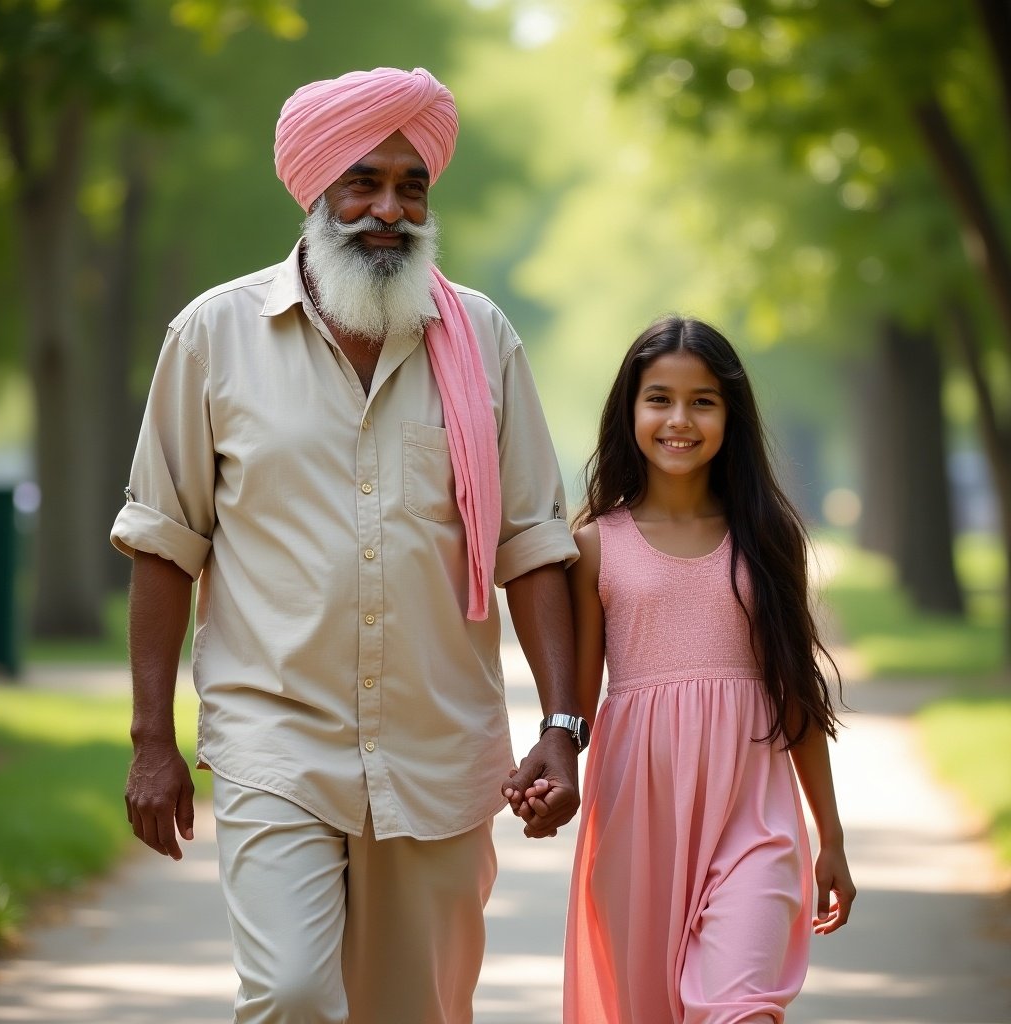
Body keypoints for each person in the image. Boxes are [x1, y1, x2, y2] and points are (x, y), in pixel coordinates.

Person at [111, 66, 587, 1024]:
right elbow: (167, 546)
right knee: (290, 993)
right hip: (275, 736)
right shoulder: (215, 335)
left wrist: (561, 728)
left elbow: (532, 544)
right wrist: (152, 740)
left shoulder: (483, 338)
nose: (389, 209)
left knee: (416, 1011)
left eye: (412, 186)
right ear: (317, 189)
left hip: (439, 748)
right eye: (363, 182)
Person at [550, 315, 856, 1023]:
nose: (679, 419)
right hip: (639, 820)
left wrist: (831, 835)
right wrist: (550, 762)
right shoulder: (598, 547)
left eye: (703, 401)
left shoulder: (767, 536)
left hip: (756, 819)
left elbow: (795, 691)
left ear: (731, 415)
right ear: (630, 411)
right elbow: (580, 703)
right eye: (659, 398)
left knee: (739, 1007)